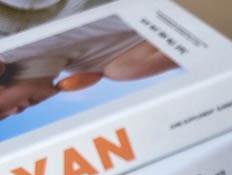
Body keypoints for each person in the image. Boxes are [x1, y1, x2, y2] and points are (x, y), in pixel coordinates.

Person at [0, 15, 177, 119]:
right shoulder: (108, 66)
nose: (15, 111)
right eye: (4, 117)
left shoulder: (13, 40)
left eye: (1, 110)